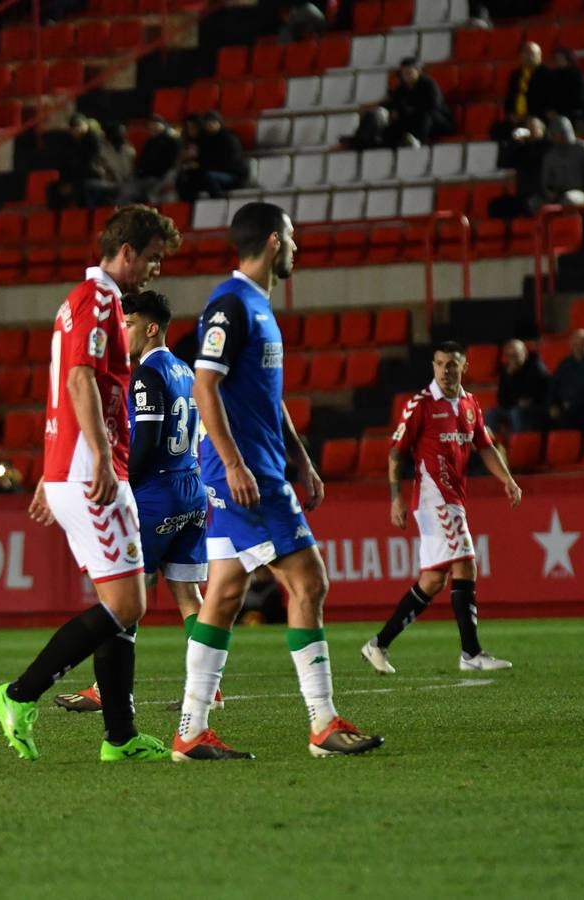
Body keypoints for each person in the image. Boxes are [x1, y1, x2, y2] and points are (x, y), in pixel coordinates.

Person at [176, 201, 383, 761]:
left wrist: (301, 456)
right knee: (309, 582)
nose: (296, 247)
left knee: (222, 596)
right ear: (272, 242)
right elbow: (203, 388)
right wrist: (237, 464)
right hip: (244, 474)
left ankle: (191, 731)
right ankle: (322, 723)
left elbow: (264, 398)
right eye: (290, 238)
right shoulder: (231, 305)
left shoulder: (257, 308)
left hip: (257, 465)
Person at [0, 205, 178, 763]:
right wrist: (93, 456)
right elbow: (77, 379)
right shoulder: (97, 301)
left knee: (119, 604)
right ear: (126, 252)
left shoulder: (83, 303)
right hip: (94, 468)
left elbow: (64, 386)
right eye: (152, 258)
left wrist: (55, 469)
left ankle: (119, 736)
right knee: (127, 603)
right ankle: (19, 694)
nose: (154, 271)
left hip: (74, 466)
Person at [54, 287, 223, 717]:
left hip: (157, 493)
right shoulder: (184, 370)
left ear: (151, 328)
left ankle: (102, 687)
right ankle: (211, 686)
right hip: (191, 489)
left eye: (128, 324)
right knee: (189, 595)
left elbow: (145, 442)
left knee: (123, 594)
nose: (121, 331)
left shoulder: (148, 373)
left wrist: (126, 481)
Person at [362, 342, 522, 675]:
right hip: (435, 498)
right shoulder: (420, 405)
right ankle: (471, 653)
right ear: (433, 366)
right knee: (466, 565)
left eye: (452, 364)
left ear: (465, 367)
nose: (445, 370)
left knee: (433, 581)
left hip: (454, 499)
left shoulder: (469, 404)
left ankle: (378, 644)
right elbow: (396, 454)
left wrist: (507, 479)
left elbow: (486, 446)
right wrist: (396, 497)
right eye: (439, 364)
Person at [534, 117, 584, 212]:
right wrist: (550, 193)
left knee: (568, 198)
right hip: (557, 196)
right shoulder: (550, 156)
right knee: (533, 202)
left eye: (558, 133)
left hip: (581, 194)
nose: (556, 136)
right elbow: (545, 182)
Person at [380, 57, 452, 148]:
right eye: (404, 73)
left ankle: (418, 141)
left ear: (418, 71)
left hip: (436, 121)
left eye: (409, 73)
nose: (406, 76)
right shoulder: (401, 89)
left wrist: (412, 109)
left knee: (425, 116)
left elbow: (434, 105)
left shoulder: (429, 84)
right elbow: (396, 105)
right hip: (414, 121)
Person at [175, 112, 247, 202]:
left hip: (233, 174)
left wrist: (201, 165)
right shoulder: (208, 140)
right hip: (215, 171)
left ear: (219, 122)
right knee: (186, 179)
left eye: (212, 122)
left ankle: (218, 202)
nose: (209, 125)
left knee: (208, 177)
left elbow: (229, 160)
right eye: (207, 123)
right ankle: (190, 206)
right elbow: (206, 159)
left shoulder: (229, 138)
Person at [486, 339, 549, 435]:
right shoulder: (506, 371)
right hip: (512, 406)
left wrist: (518, 400)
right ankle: (492, 445)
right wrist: (510, 377)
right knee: (491, 413)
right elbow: (501, 398)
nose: (512, 359)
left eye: (515, 355)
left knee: (516, 413)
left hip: (534, 408)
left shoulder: (536, 367)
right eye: (509, 356)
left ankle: (518, 443)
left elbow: (532, 395)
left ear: (525, 353)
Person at [548, 329, 584, 429]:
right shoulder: (566, 363)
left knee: (569, 417)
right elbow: (553, 385)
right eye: (575, 343)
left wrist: (572, 403)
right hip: (563, 406)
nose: (577, 346)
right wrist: (553, 404)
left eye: (581, 343)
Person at [494, 42, 545, 142]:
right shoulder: (516, 75)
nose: (527, 56)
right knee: (497, 130)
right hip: (517, 119)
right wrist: (511, 114)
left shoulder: (546, 75)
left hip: (535, 119)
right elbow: (510, 97)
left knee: (526, 131)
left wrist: (529, 116)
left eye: (530, 53)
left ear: (539, 55)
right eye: (524, 53)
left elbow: (545, 101)